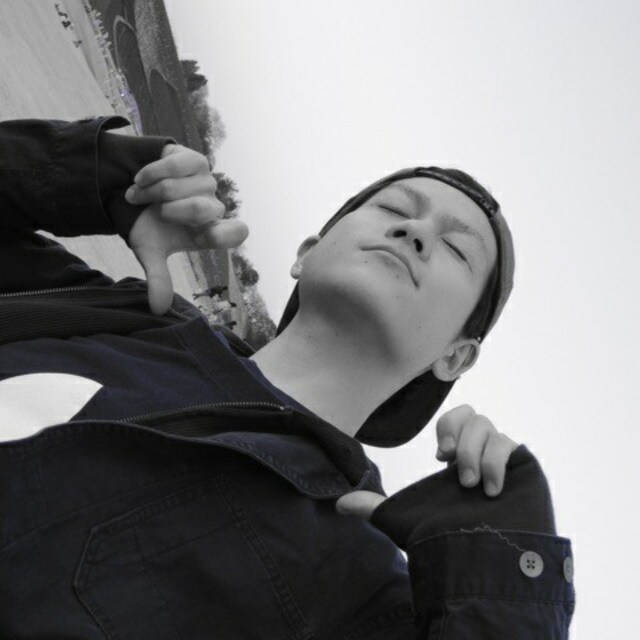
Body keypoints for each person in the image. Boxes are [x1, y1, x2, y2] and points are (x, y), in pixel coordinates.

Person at [0, 116, 575, 638]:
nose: (415, 232)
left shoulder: (362, 586)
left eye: (455, 248)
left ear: (456, 357)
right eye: (394, 210)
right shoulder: (115, 314)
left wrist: (501, 588)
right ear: (307, 252)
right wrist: (101, 173)